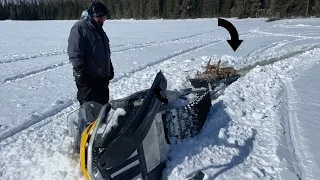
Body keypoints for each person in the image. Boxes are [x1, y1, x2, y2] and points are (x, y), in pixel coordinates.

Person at [67, 1, 114, 106]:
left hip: (101, 79)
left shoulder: (99, 30)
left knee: (102, 110)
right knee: (89, 112)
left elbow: (104, 50)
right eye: (102, 17)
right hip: (88, 81)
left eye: (104, 17)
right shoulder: (80, 28)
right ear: (94, 15)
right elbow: (75, 53)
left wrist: (109, 67)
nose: (104, 19)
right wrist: (81, 72)